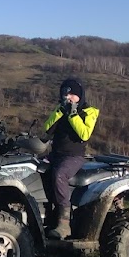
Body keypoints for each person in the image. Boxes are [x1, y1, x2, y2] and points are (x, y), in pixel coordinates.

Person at [42, 77, 99, 239]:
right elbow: (47, 129)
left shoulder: (89, 112)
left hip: (73, 156)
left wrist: (73, 114)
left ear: (80, 96)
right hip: (55, 154)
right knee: (36, 170)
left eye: (72, 94)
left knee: (60, 174)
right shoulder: (61, 109)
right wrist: (60, 111)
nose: (68, 97)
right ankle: (48, 217)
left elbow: (84, 134)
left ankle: (64, 222)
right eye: (66, 94)